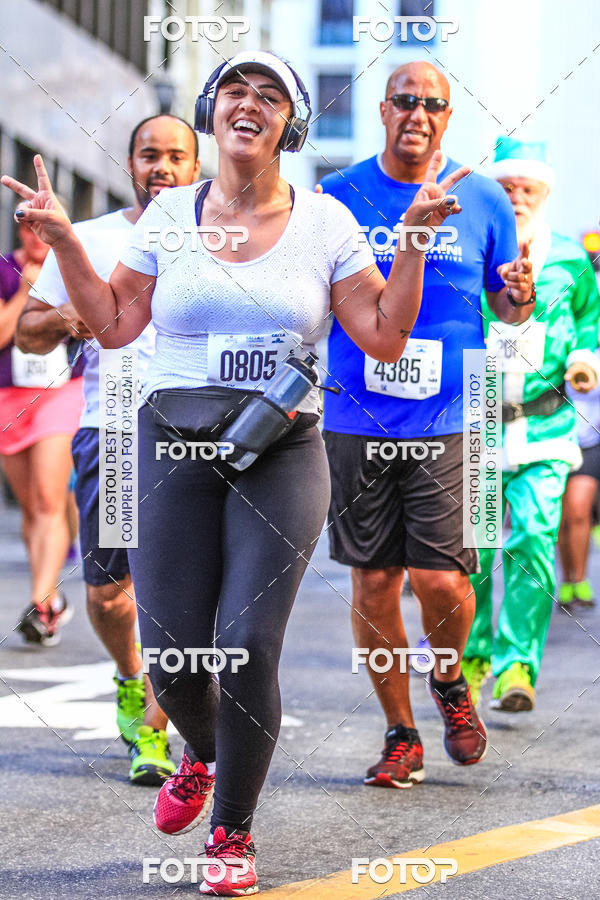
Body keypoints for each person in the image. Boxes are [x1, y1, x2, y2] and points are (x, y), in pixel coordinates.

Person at [2, 49, 464, 896]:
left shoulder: (326, 222)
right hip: (172, 440)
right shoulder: (169, 216)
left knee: (248, 646)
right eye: (235, 91)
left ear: (290, 123)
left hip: (281, 446)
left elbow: (385, 336)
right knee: (175, 660)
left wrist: (416, 249)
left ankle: (232, 834)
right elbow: (109, 323)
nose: (248, 103)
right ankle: (206, 756)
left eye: (270, 94)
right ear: (215, 113)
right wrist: (67, 239)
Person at [319, 61, 534, 789]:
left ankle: (449, 681)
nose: (417, 112)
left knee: (442, 580)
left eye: (432, 103)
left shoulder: (483, 199)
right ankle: (401, 733)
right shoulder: (338, 195)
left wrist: (519, 298)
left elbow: (508, 305)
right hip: (357, 409)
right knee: (375, 581)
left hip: (459, 409)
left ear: (447, 116)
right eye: (404, 100)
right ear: (383, 110)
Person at [15, 115, 201, 785]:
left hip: (194, 434)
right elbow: (30, 334)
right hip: (114, 431)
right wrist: (80, 315)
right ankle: (131, 676)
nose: (162, 166)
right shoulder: (90, 240)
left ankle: (154, 730)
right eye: (150, 154)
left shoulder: (219, 237)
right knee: (108, 596)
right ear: (130, 164)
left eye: (176, 156)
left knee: (174, 590)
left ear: (196, 166)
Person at [463, 138, 600, 710]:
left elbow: (588, 319)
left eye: (528, 189)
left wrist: (584, 359)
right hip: (479, 422)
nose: (517, 197)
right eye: (508, 187)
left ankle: (518, 665)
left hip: (545, 428)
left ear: (545, 192)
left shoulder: (570, 257)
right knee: (475, 549)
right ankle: (471, 653)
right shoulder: (470, 250)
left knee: (536, 540)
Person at [0, 201, 84, 646]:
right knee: (31, 506)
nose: (36, 235)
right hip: (9, 396)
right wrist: (23, 292)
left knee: (51, 499)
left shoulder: (72, 264)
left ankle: (41, 600)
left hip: (60, 393)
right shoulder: (3, 270)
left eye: (43, 226)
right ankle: (52, 596)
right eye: (28, 227)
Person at [558, 363, 600, 608]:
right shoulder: (560, 347)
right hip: (556, 442)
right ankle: (566, 580)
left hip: (590, 443)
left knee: (579, 511)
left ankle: (580, 579)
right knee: (563, 519)